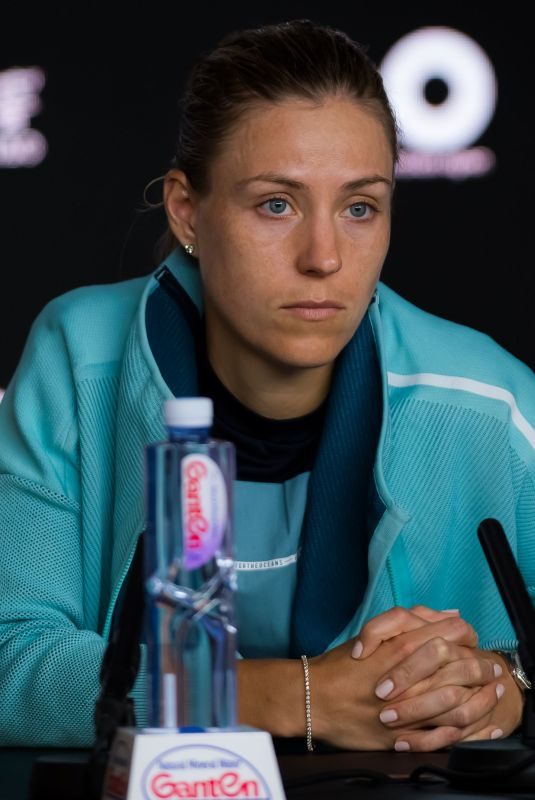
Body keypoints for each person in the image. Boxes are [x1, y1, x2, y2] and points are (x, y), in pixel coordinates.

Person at [0, 19, 533, 753]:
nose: (322, 257)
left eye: (358, 208)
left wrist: (502, 693)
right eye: (275, 205)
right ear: (188, 211)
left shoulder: (490, 402)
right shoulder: (79, 357)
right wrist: (295, 695)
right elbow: (9, 658)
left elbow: (516, 676)